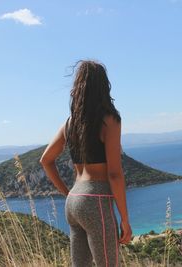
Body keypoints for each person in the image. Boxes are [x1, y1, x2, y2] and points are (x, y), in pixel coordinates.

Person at [39, 60, 132, 267]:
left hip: (73, 202)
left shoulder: (70, 123)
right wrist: (125, 219)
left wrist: (68, 193)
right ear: (103, 86)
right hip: (96, 201)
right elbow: (115, 174)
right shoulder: (110, 120)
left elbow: (46, 160)